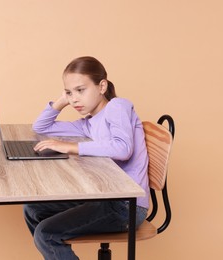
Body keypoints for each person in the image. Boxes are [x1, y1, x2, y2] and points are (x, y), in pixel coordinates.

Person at [23, 56, 149, 260]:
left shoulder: (118, 106)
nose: (74, 99)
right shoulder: (87, 124)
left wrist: (71, 147)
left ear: (102, 86)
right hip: (103, 196)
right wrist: (62, 100)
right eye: (69, 92)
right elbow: (40, 128)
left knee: (46, 234)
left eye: (80, 90)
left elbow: (123, 148)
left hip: (127, 205)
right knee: (32, 209)